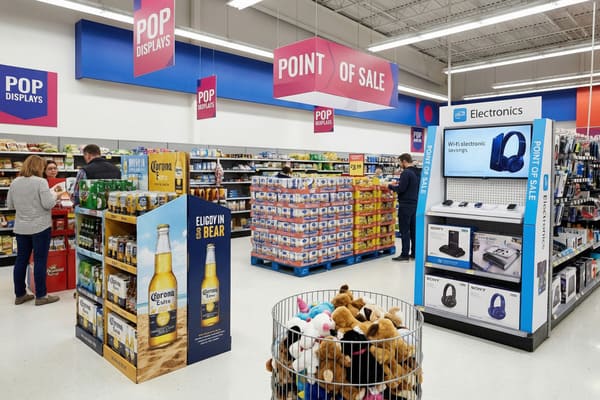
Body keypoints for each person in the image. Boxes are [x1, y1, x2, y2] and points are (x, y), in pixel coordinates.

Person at [8, 155, 61, 305]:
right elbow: (48, 204)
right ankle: (41, 296)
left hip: (21, 227)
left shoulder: (15, 182)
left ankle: (20, 295)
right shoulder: (40, 182)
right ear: (39, 167)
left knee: (21, 260)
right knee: (40, 261)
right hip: (40, 227)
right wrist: (55, 195)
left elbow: (10, 205)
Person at [389, 153, 421, 262]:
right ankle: (415, 253)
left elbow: (401, 189)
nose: (399, 165)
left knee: (404, 230)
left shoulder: (406, 173)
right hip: (415, 205)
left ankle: (404, 254)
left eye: (399, 162)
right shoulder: (418, 172)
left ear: (404, 161)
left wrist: (390, 186)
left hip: (406, 205)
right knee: (413, 230)